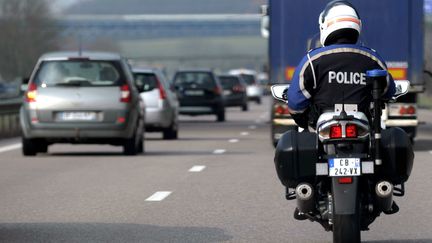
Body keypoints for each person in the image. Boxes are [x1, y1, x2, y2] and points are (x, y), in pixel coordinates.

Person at [286, 0, 396, 129]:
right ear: (358, 26)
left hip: (323, 131)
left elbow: (295, 103)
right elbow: (389, 91)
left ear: (324, 26)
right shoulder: (373, 58)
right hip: (364, 129)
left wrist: (306, 121)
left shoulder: (311, 60)